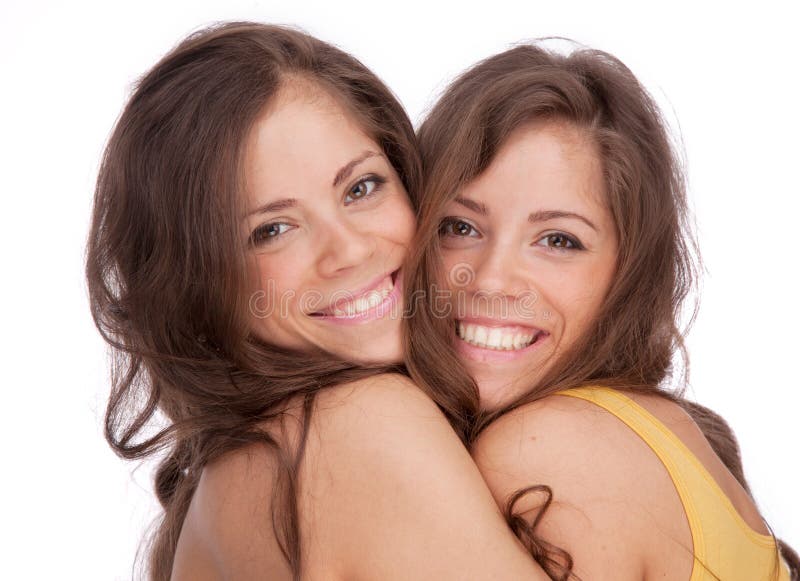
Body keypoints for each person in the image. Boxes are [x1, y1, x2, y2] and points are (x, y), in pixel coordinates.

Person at [86, 22, 553, 581]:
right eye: (272, 229)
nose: (349, 251)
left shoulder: (251, 460)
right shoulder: (357, 427)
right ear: (196, 281)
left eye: (361, 187)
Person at [406, 42, 798, 580]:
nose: (492, 277)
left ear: (628, 275)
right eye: (460, 227)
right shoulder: (646, 425)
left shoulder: (545, 449)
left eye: (558, 240)